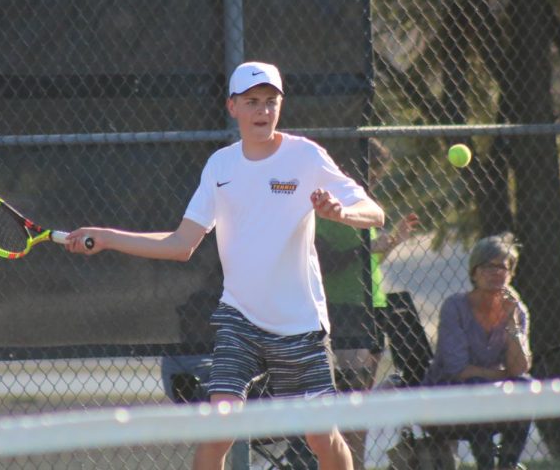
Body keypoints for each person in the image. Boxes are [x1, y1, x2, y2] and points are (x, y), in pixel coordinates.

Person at [65, 61, 385, 470]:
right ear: (232, 107)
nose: (263, 111)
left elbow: (374, 212)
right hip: (241, 320)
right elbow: (182, 244)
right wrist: (108, 237)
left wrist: (342, 213)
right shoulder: (220, 167)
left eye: (271, 102)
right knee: (218, 429)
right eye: (252, 102)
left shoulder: (305, 156)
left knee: (321, 436)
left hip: (300, 324)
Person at [317, 138, 419, 470]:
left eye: (378, 174)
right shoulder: (325, 209)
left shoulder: (364, 205)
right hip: (342, 310)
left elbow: (370, 259)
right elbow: (326, 261)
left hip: (373, 309)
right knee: (346, 404)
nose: (374, 180)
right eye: (371, 172)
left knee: (358, 407)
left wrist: (390, 243)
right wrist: (369, 249)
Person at [423, 232, 532, 470]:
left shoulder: (517, 310)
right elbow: (457, 368)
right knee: (477, 386)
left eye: (502, 267)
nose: (495, 273)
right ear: (474, 271)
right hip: (451, 391)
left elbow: (520, 369)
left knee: (526, 386)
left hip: (491, 391)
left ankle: (507, 465)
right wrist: (503, 377)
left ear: (511, 273)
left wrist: (512, 322)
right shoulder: (455, 307)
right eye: (488, 266)